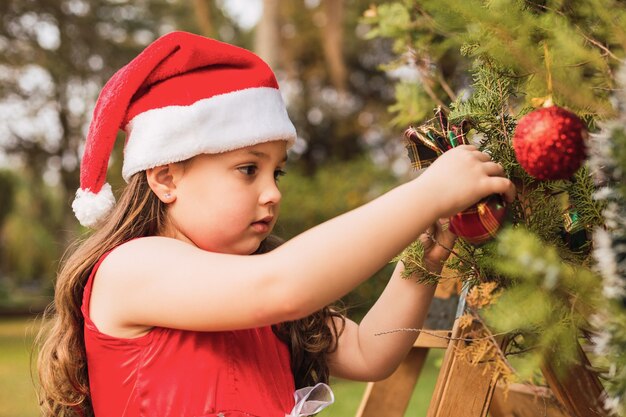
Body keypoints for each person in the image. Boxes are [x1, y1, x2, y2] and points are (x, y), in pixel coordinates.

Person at [36, 31, 515, 417]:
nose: (273, 192)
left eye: (276, 171)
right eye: (249, 169)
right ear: (165, 177)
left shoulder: (257, 298)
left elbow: (370, 353)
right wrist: (427, 193)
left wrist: (425, 257)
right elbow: (283, 285)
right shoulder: (132, 269)